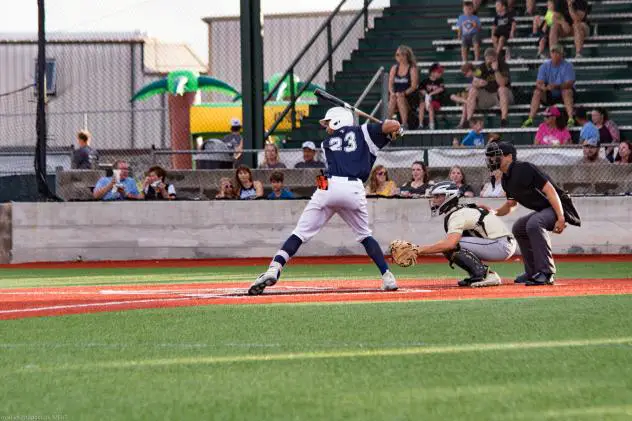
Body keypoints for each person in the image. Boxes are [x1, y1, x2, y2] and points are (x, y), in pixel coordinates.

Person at [248, 107, 402, 295]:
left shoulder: (327, 142)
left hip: (328, 186)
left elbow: (332, 167)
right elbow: (391, 126)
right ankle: (387, 276)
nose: (327, 128)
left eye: (328, 123)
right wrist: (395, 131)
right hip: (354, 188)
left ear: (338, 121)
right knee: (364, 235)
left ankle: (274, 268)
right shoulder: (364, 131)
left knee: (300, 233)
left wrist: (320, 194)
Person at [484, 141, 581, 285]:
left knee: (534, 223)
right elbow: (511, 204)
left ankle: (546, 273)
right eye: (490, 157)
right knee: (519, 227)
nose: (492, 160)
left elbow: (550, 190)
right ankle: (533, 272)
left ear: (509, 157)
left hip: (559, 207)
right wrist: (494, 212)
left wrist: (560, 217)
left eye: (496, 156)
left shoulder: (524, 168)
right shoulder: (505, 180)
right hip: (545, 210)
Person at [390, 181, 516, 287]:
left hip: (501, 244)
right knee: (449, 245)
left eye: (438, 196)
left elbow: (450, 244)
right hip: (501, 243)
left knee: (451, 245)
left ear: (449, 196)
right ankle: (477, 275)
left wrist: (418, 250)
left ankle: (486, 275)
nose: (434, 200)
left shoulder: (457, 214)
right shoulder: (460, 210)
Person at [522, 44, 575, 128]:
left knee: (567, 91)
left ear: (562, 54)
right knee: (537, 92)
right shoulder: (544, 66)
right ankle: (530, 119)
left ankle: (571, 119)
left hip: (563, 94)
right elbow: (539, 82)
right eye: (553, 52)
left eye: (557, 52)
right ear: (550, 54)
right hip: (549, 94)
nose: (555, 54)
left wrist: (556, 86)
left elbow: (570, 83)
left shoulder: (568, 66)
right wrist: (543, 87)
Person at [465, 48, 513, 128]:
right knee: (472, 90)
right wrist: (479, 83)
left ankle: (504, 119)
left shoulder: (503, 65)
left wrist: (496, 70)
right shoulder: (481, 67)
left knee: (502, 89)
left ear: (496, 58)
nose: (490, 61)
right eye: (488, 59)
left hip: (503, 96)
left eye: (492, 59)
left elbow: (502, 84)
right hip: (488, 96)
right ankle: (468, 120)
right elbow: (474, 82)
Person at [387, 45, 419, 130]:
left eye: (400, 54)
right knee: (393, 97)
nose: (398, 57)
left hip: (409, 96)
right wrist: (392, 92)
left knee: (400, 97)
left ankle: (404, 124)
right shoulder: (394, 68)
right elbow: (390, 84)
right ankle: (387, 122)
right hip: (396, 94)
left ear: (406, 55)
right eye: (397, 55)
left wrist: (403, 93)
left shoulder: (412, 68)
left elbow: (414, 86)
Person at [418, 63, 446, 130]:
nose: (440, 74)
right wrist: (426, 94)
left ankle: (431, 125)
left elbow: (441, 89)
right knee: (421, 105)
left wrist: (431, 94)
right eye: (438, 72)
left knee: (430, 106)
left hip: (436, 101)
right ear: (432, 72)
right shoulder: (425, 81)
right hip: (427, 101)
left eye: (441, 72)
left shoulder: (440, 80)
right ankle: (420, 125)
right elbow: (421, 89)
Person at [451, 62, 475, 128]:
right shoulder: (466, 78)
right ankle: (467, 102)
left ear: (470, 71)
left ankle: (461, 123)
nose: (465, 75)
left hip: (475, 98)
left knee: (465, 102)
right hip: (467, 99)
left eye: (466, 73)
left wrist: (471, 87)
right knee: (452, 96)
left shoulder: (476, 75)